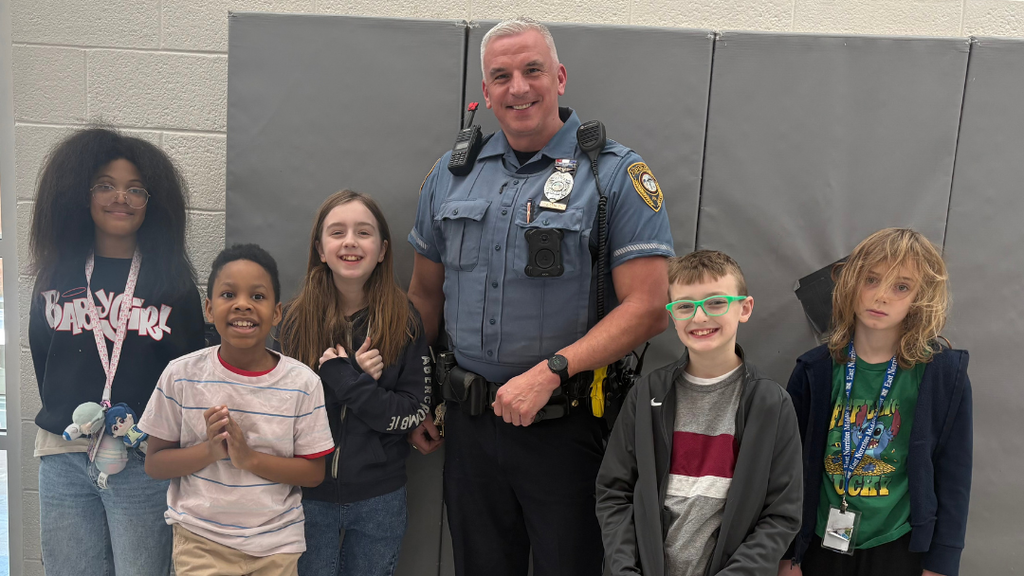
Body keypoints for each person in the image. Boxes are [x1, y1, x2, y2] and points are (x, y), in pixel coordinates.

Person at [407, 16, 674, 576]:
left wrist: (551, 370)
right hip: (471, 427)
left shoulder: (615, 175)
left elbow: (649, 309)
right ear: (485, 91)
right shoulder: (449, 176)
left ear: (560, 76)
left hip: (568, 427)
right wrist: (419, 392)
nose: (518, 87)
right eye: (501, 76)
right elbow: (425, 296)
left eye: (532, 70)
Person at [28, 127, 205, 575]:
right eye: (105, 185)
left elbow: (186, 372)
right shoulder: (55, 275)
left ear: (153, 202)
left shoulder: (174, 285)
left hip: (142, 459)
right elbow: (43, 355)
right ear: (80, 196)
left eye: (135, 189)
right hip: (65, 457)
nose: (120, 198)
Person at [779, 228, 973, 576]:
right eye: (871, 279)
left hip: (898, 547)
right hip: (820, 546)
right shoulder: (815, 371)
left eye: (901, 286)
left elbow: (954, 476)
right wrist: (790, 553)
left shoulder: (941, 376)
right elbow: (788, 473)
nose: (881, 296)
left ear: (921, 297)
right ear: (851, 283)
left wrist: (942, 563)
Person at [596, 250, 802, 576]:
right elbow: (613, 493)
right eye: (684, 306)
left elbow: (781, 514)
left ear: (744, 308)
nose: (700, 316)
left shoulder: (771, 403)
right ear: (672, 315)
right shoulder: (647, 394)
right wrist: (624, 569)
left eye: (716, 302)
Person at [139, 244, 335, 576]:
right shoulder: (181, 375)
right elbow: (155, 464)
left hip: (276, 544)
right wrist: (210, 451)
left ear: (277, 312)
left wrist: (249, 459)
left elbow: (314, 473)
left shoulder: (303, 383)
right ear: (209, 308)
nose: (242, 304)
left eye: (257, 297)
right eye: (228, 294)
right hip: (201, 540)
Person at [278, 190, 432, 576]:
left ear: (382, 250)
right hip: (306, 496)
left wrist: (352, 383)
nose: (350, 241)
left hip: (379, 497)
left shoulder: (405, 320)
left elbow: (412, 414)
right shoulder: (295, 321)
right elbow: (280, 413)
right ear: (320, 248)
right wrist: (350, 380)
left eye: (364, 232)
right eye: (337, 232)